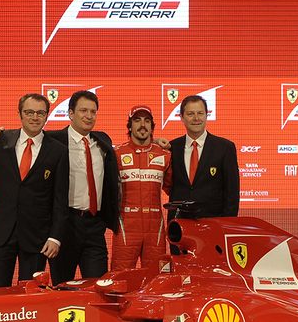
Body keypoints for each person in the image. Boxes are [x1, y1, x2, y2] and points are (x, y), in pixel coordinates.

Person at [0, 93, 69, 288]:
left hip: (37, 236)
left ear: (46, 116)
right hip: (1, 232)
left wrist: (55, 237)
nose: (34, 117)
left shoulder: (58, 151)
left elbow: (60, 199)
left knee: (31, 295)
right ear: (20, 114)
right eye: (29, 112)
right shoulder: (1, 140)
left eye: (40, 113)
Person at [44, 90, 121, 284]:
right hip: (65, 225)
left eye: (93, 111)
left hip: (95, 225)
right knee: (62, 287)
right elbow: (26, 139)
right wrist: (0, 134)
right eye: (83, 110)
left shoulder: (103, 141)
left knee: (97, 287)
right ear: (71, 113)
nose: (89, 116)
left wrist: (156, 141)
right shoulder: (52, 140)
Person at [110, 105, 172, 270]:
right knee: (120, 276)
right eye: (137, 120)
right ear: (129, 126)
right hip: (126, 226)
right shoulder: (116, 154)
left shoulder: (165, 155)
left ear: (152, 127)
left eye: (147, 121)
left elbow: (173, 189)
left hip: (155, 228)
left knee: (156, 277)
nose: (142, 125)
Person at [168, 95, 240, 218]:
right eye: (190, 114)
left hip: (213, 223)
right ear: (181, 117)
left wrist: (226, 224)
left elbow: (232, 193)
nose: (196, 118)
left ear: (207, 115)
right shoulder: (172, 147)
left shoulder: (224, 148)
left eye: (200, 113)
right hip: (179, 223)